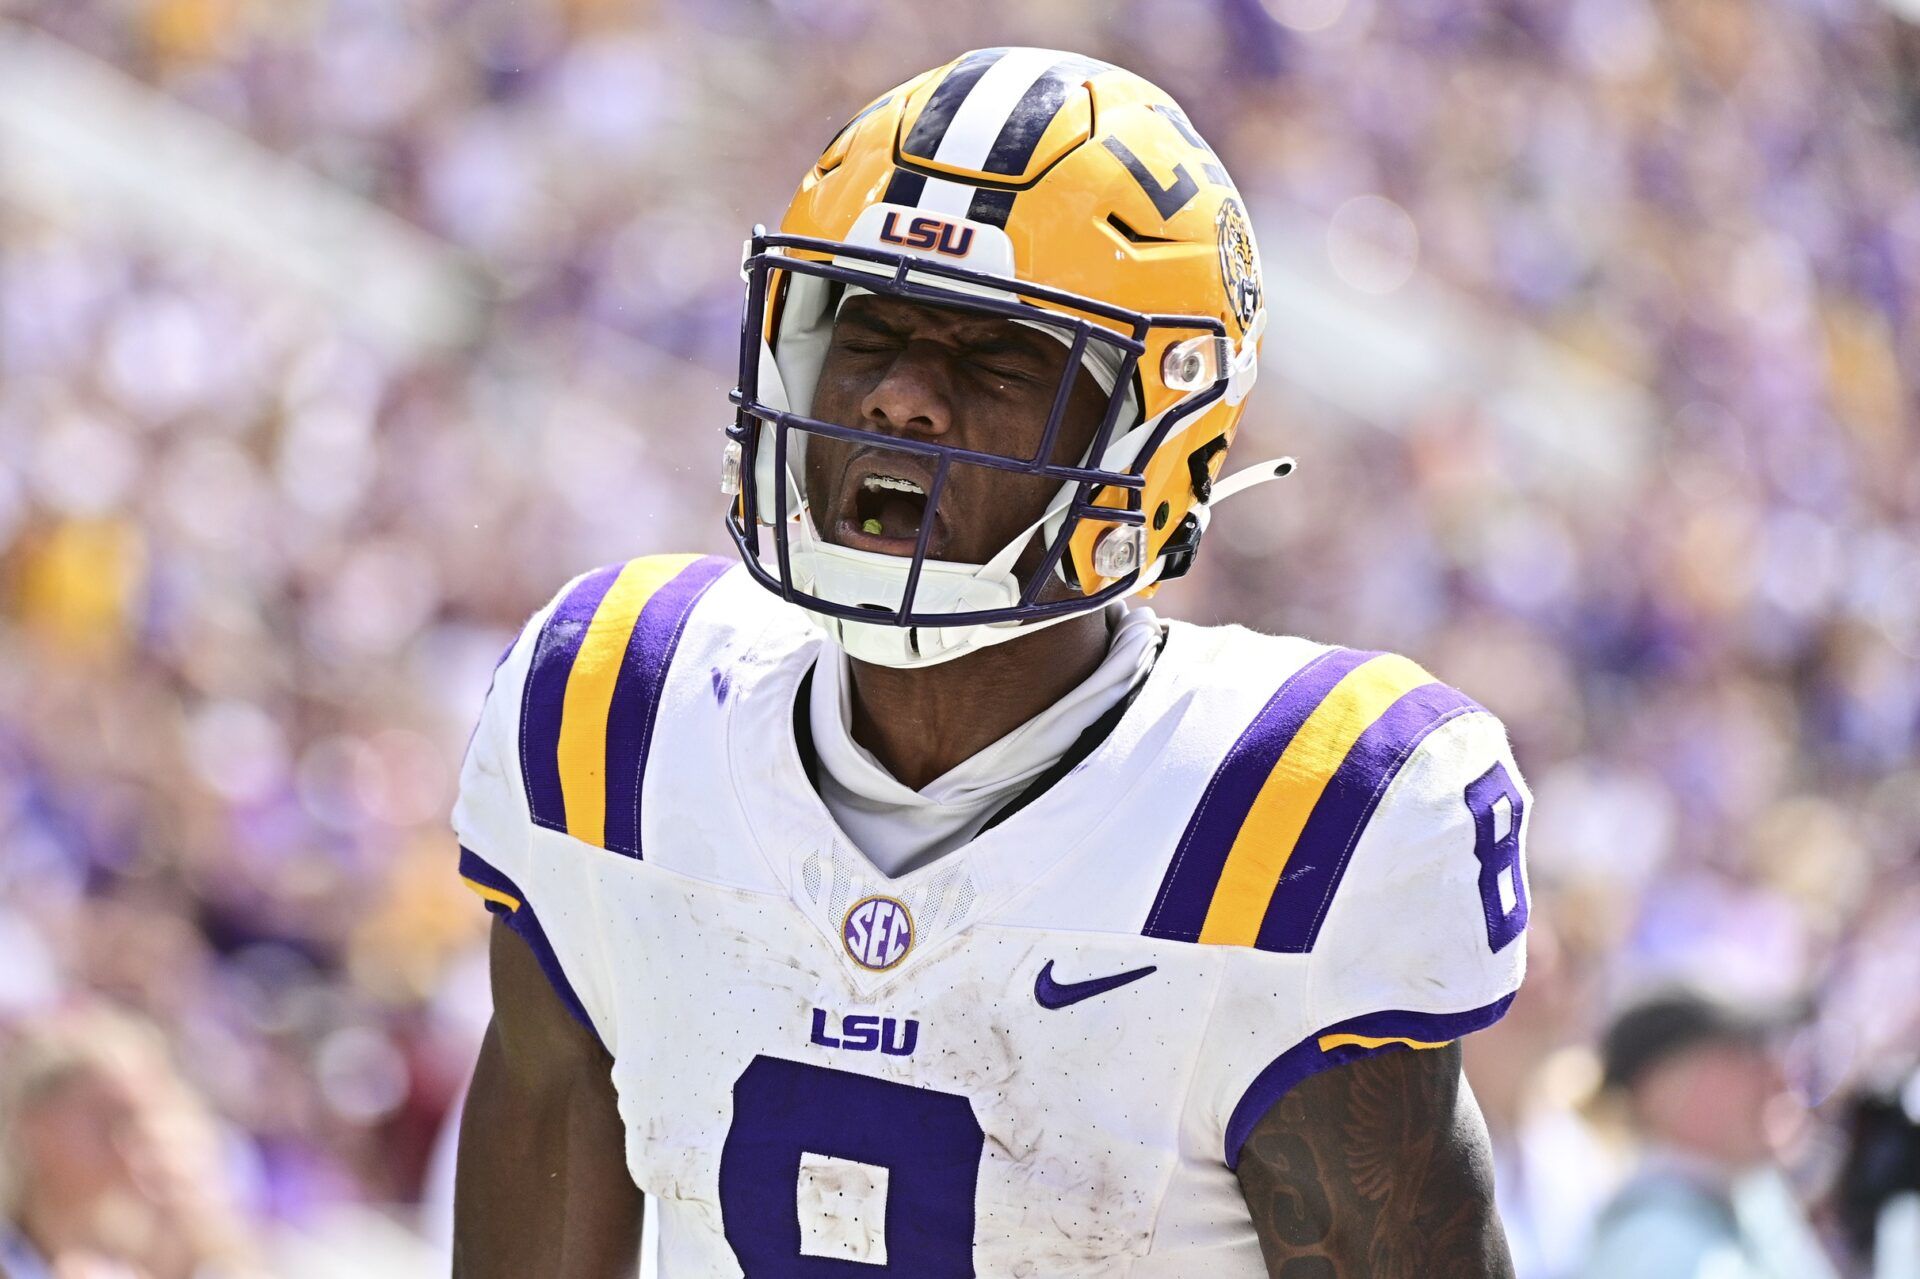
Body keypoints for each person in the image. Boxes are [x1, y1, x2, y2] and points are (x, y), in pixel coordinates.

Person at [451, 47, 1534, 1277]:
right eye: (870, 333)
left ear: (1153, 430)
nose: (905, 398)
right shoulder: (620, 716)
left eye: (998, 355)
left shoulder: (1291, 814)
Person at [1578, 987, 1836, 1279]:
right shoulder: (1658, 1248)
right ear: (1664, 1092)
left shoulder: (1752, 1201)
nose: (1778, 1076)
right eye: (1745, 1050)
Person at [0, 1007, 260, 1279]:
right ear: (34, 1126)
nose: (126, 1145)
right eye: (105, 1120)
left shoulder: (176, 1246)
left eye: (142, 1121)